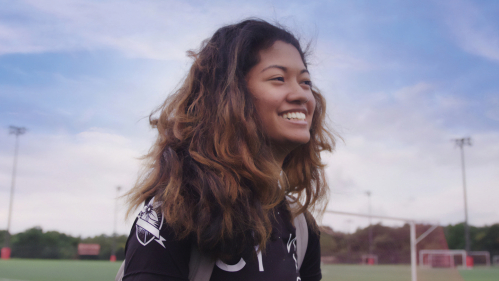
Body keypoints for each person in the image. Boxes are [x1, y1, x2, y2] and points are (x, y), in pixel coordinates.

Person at [121, 19, 336, 281]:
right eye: (278, 78)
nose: (302, 95)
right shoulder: (174, 215)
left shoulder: (301, 228)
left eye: (305, 82)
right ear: (230, 96)